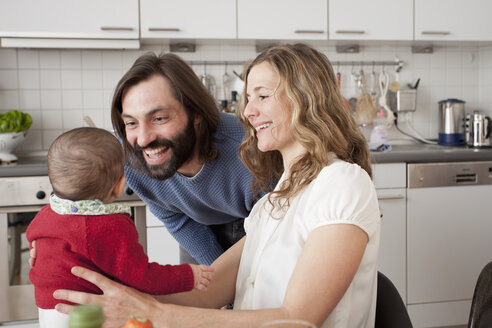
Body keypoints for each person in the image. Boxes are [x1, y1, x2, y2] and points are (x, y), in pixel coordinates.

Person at [53, 43, 381, 328]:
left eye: (263, 96)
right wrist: (69, 257)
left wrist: (159, 315)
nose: (248, 112)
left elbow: (297, 320)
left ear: (308, 100)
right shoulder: (274, 202)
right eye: (248, 98)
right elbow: (207, 291)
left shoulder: (341, 184)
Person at [26, 127, 214, 328]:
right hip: (88, 313)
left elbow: (34, 242)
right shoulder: (108, 225)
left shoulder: (46, 214)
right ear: (119, 185)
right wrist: (189, 275)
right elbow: (142, 276)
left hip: (48, 312)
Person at [110, 52, 266, 265]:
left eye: (159, 118)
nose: (144, 139)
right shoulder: (130, 156)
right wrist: (214, 281)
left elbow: (273, 230)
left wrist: (226, 286)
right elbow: (176, 219)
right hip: (194, 225)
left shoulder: (251, 148)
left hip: (255, 223)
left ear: (195, 114)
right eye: (131, 123)